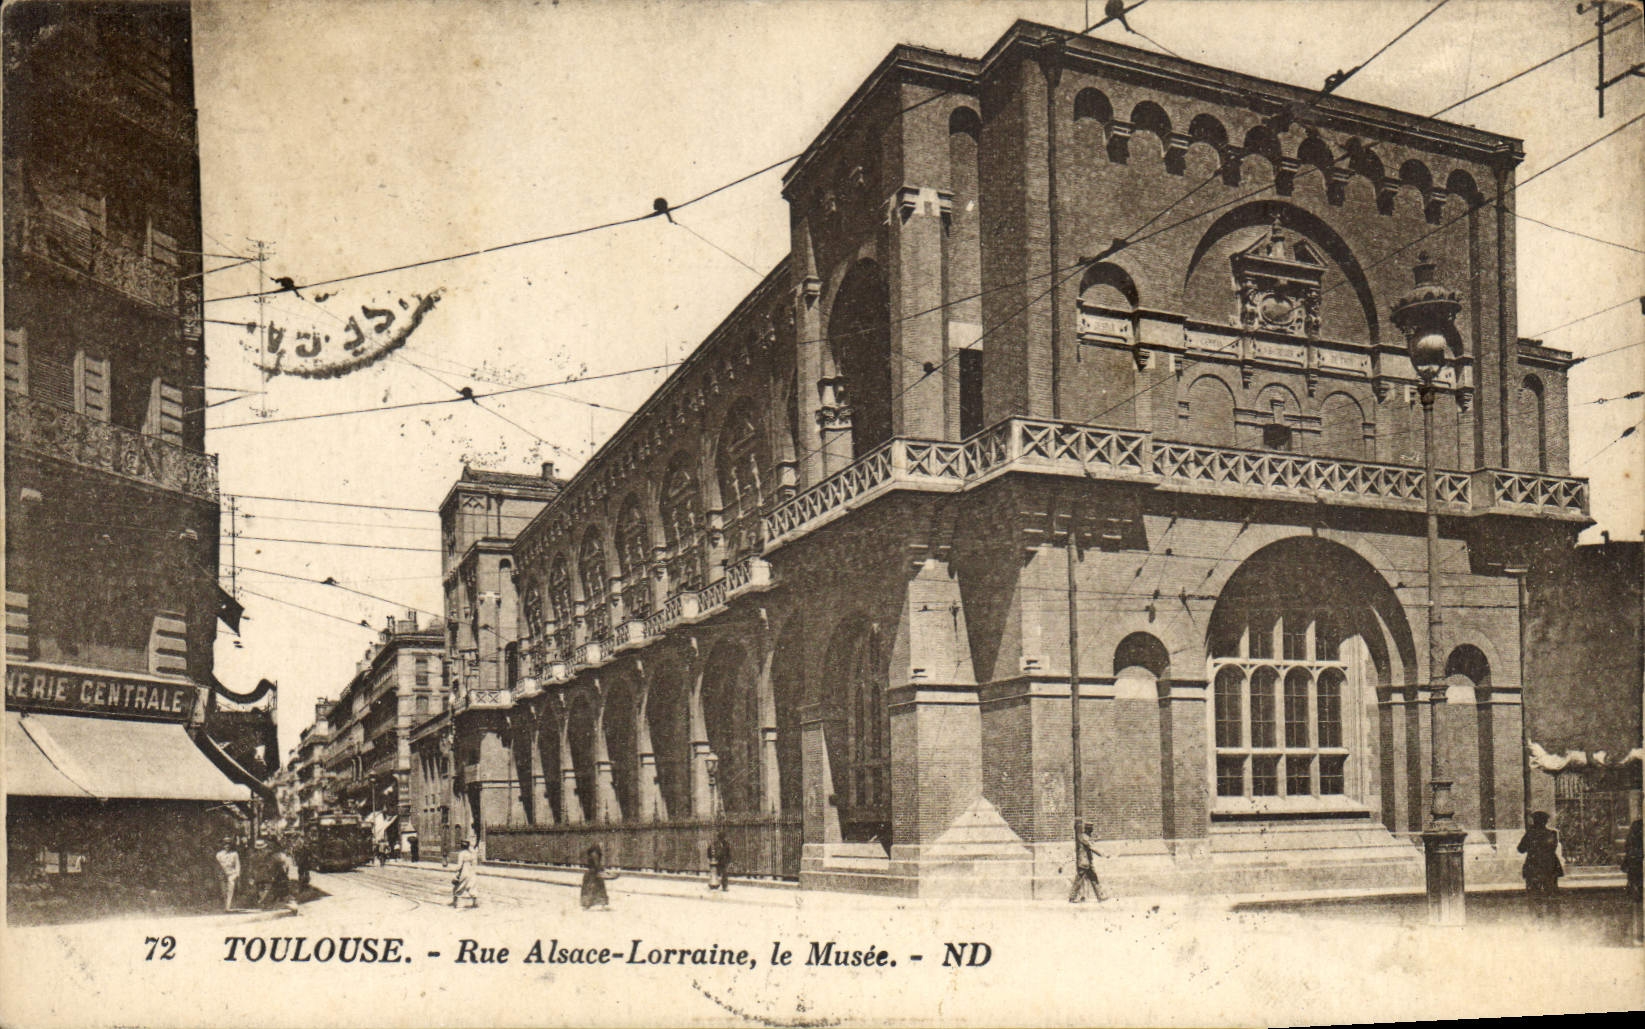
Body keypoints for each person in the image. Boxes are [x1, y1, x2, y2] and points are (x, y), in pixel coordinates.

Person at [1518, 810, 1564, 920]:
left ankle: (1536, 919)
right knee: (1552, 893)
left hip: (1534, 865)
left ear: (1534, 822)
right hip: (1550, 865)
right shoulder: (1552, 834)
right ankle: (1554, 919)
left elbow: (1520, 849)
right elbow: (1553, 847)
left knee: (1534, 894)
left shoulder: (1530, 835)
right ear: (1545, 822)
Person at [1068, 819, 1109, 904]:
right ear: (1087, 829)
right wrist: (1103, 854)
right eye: (1090, 829)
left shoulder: (1085, 837)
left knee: (1094, 879)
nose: (1091, 831)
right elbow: (1091, 847)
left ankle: (1100, 896)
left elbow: (1091, 844)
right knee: (1078, 881)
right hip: (1084, 863)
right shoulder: (1084, 837)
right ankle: (1072, 897)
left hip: (1087, 863)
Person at [1623, 818, 1642, 946]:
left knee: (1636, 903)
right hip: (1637, 870)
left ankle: (1636, 933)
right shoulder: (1638, 826)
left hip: (1635, 871)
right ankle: (1637, 933)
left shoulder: (1636, 827)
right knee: (1637, 902)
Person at [451, 835, 480, 909]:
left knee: (458, 887)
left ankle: (456, 904)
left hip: (464, 871)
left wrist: (456, 871)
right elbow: (474, 863)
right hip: (471, 872)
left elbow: (460, 865)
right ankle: (475, 903)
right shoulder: (471, 853)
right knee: (471, 887)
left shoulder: (461, 854)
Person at [580, 842, 610, 910]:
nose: (602, 847)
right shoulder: (595, 854)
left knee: (589, 889)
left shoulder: (592, 853)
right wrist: (601, 870)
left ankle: (586, 905)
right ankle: (600, 904)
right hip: (594, 874)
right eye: (601, 846)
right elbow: (596, 864)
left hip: (590, 873)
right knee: (597, 889)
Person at [214, 838, 241, 912]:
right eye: (225, 844)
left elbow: (237, 865)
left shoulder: (234, 854)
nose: (227, 846)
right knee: (223, 890)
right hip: (222, 874)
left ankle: (228, 906)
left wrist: (237, 875)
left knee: (230, 888)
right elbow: (217, 865)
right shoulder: (219, 854)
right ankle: (223, 905)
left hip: (231, 874)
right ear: (223, 845)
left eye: (229, 844)